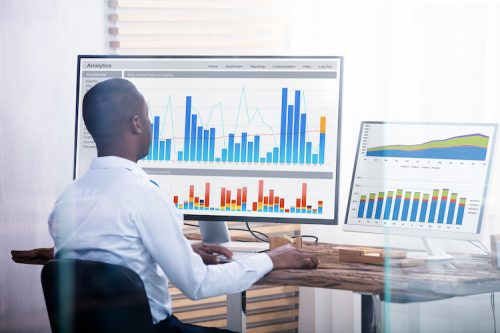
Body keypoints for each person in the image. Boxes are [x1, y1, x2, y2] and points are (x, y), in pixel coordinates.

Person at [48, 78, 319, 333]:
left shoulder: (65, 200)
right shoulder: (144, 196)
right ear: (136, 124)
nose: (151, 124)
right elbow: (198, 284)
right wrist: (270, 259)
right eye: (148, 117)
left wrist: (182, 249)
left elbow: (107, 257)